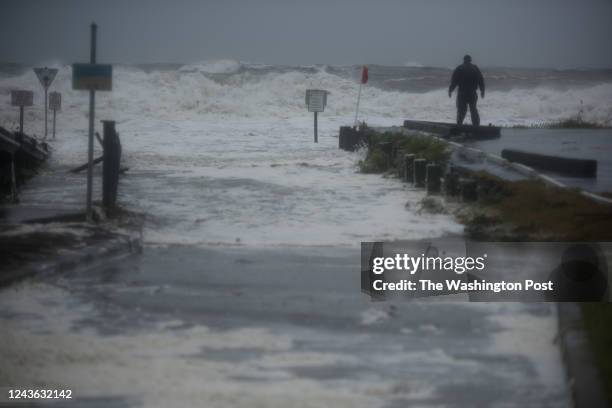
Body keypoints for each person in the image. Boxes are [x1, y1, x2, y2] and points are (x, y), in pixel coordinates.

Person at [448, 55, 485, 126]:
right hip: (472, 93)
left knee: (461, 110)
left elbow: (454, 81)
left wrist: (450, 90)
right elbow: (481, 80)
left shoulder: (459, 68)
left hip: (462, 93)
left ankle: (459, 125)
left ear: (464, 60)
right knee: (473, 109)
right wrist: (482, 91)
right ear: (470, 60)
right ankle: (476, 126)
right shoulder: (475, 68)